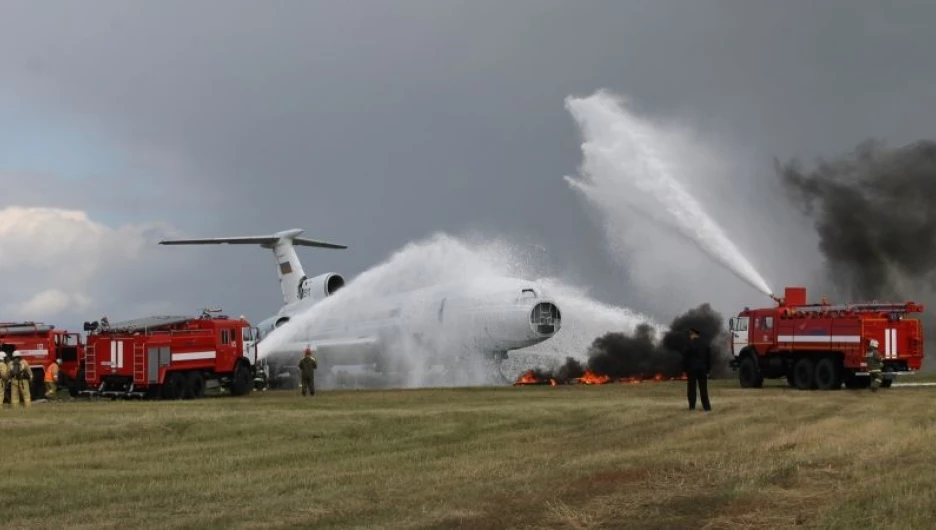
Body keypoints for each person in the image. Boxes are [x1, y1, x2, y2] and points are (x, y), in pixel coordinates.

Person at [682, 327, 712, 412]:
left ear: (694, 334)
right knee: (703, 389)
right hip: (703, 369)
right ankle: (707, 407)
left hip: (692, 370)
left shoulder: (689, 344)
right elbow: (708, 358)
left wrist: (684, 370)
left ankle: (692, 407)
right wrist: (708, 370)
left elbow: (685, 358)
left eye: (690, 334)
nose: (690, 336)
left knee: (691, 389)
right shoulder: (705, 344)